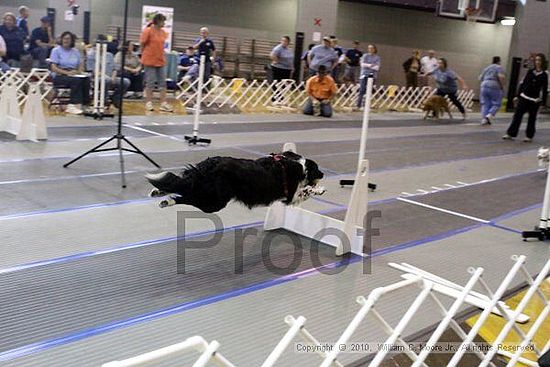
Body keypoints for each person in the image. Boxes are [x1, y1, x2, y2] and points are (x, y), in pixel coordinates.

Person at [503, 53, 548, 142]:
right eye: (536, 60)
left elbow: (545, 89)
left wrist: (543, 103)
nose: (537, 62)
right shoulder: (530, 72)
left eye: (539, 60)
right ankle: (510, 133)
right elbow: (523, 84)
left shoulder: (544, 75)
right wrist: (517, 95)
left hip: (534, 100)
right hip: (524, 97)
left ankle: (529, 136)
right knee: (517, 116)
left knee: (532, 118)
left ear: (542, 62)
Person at [49, 31, 90, 115]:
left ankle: (85, 104)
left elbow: (81, 65)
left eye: (68, 39)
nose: (66, 40)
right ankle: (72, 104)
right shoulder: (56, 51)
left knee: (86, 79)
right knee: (76, 81)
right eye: (64, 38)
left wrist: (77, 71)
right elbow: (53, 67)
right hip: (59, 75)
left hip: (73, 73)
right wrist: (66, 73)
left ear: (72, 41)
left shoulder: (75, 51)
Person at [140, 13, 173, 112]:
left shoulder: (163, 32)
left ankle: (163, 103)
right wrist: (144, 55)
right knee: (150, 82)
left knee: (163, 83)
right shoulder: (148, 31)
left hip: (160, 60)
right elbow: (142, 44)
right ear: (158, 21)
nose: (164, 23)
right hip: (149, 60)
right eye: (163, 21)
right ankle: (148, 103)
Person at [86, 35, 130, 109]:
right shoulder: (91, 56)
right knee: (106, 80)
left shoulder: (110, 55)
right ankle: (104, 99)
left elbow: (115, 68)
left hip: (110, 77)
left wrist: (113, 77)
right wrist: (105, 76)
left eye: (104, 44)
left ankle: (116, 98)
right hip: (97, 78)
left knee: (126, 81)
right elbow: (92, 70)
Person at [479, 56, 506, 125]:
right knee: (496, 103)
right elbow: (501, 77)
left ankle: (484, 119)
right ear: (499, 61)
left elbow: (480, 78)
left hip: (484, 85)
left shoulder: (486, 68)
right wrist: (502, 87)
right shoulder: (499, 67)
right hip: (494, 85)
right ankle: (490, 115)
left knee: (485, 104)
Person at [270, 35, 293, 102]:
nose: (283, 42)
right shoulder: (278, 48)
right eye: (282, 40)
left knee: (284, 84)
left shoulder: (288, 49)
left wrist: (291, 67)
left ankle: (281, 95)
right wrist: (277, 61)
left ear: (288, 42)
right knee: (277, 83)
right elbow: (272, 55)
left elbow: (290, 58)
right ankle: (275, 96)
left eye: (285, 41)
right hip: (278, 68)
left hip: (287, 69)